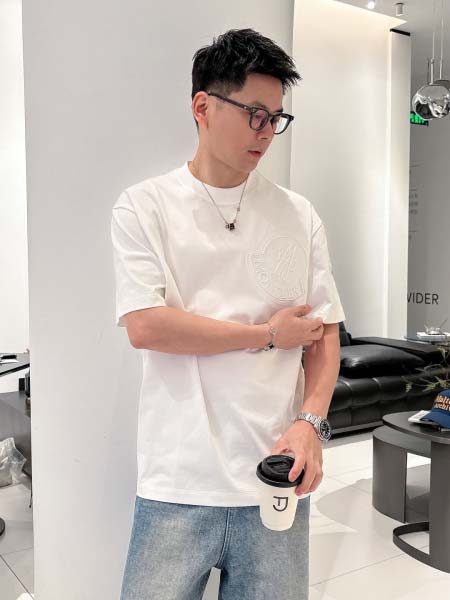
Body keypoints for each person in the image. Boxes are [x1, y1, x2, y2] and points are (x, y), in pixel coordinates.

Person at [111, 27, 345, 600]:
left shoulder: (299, 215)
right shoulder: (145, 206)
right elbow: (147, 326)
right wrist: (267, 334)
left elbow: (324, 334)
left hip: (275, 476)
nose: (266, 131)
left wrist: (310, 423)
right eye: (255, 114)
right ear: (203, 107)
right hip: (177, 481)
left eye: (277, 118)